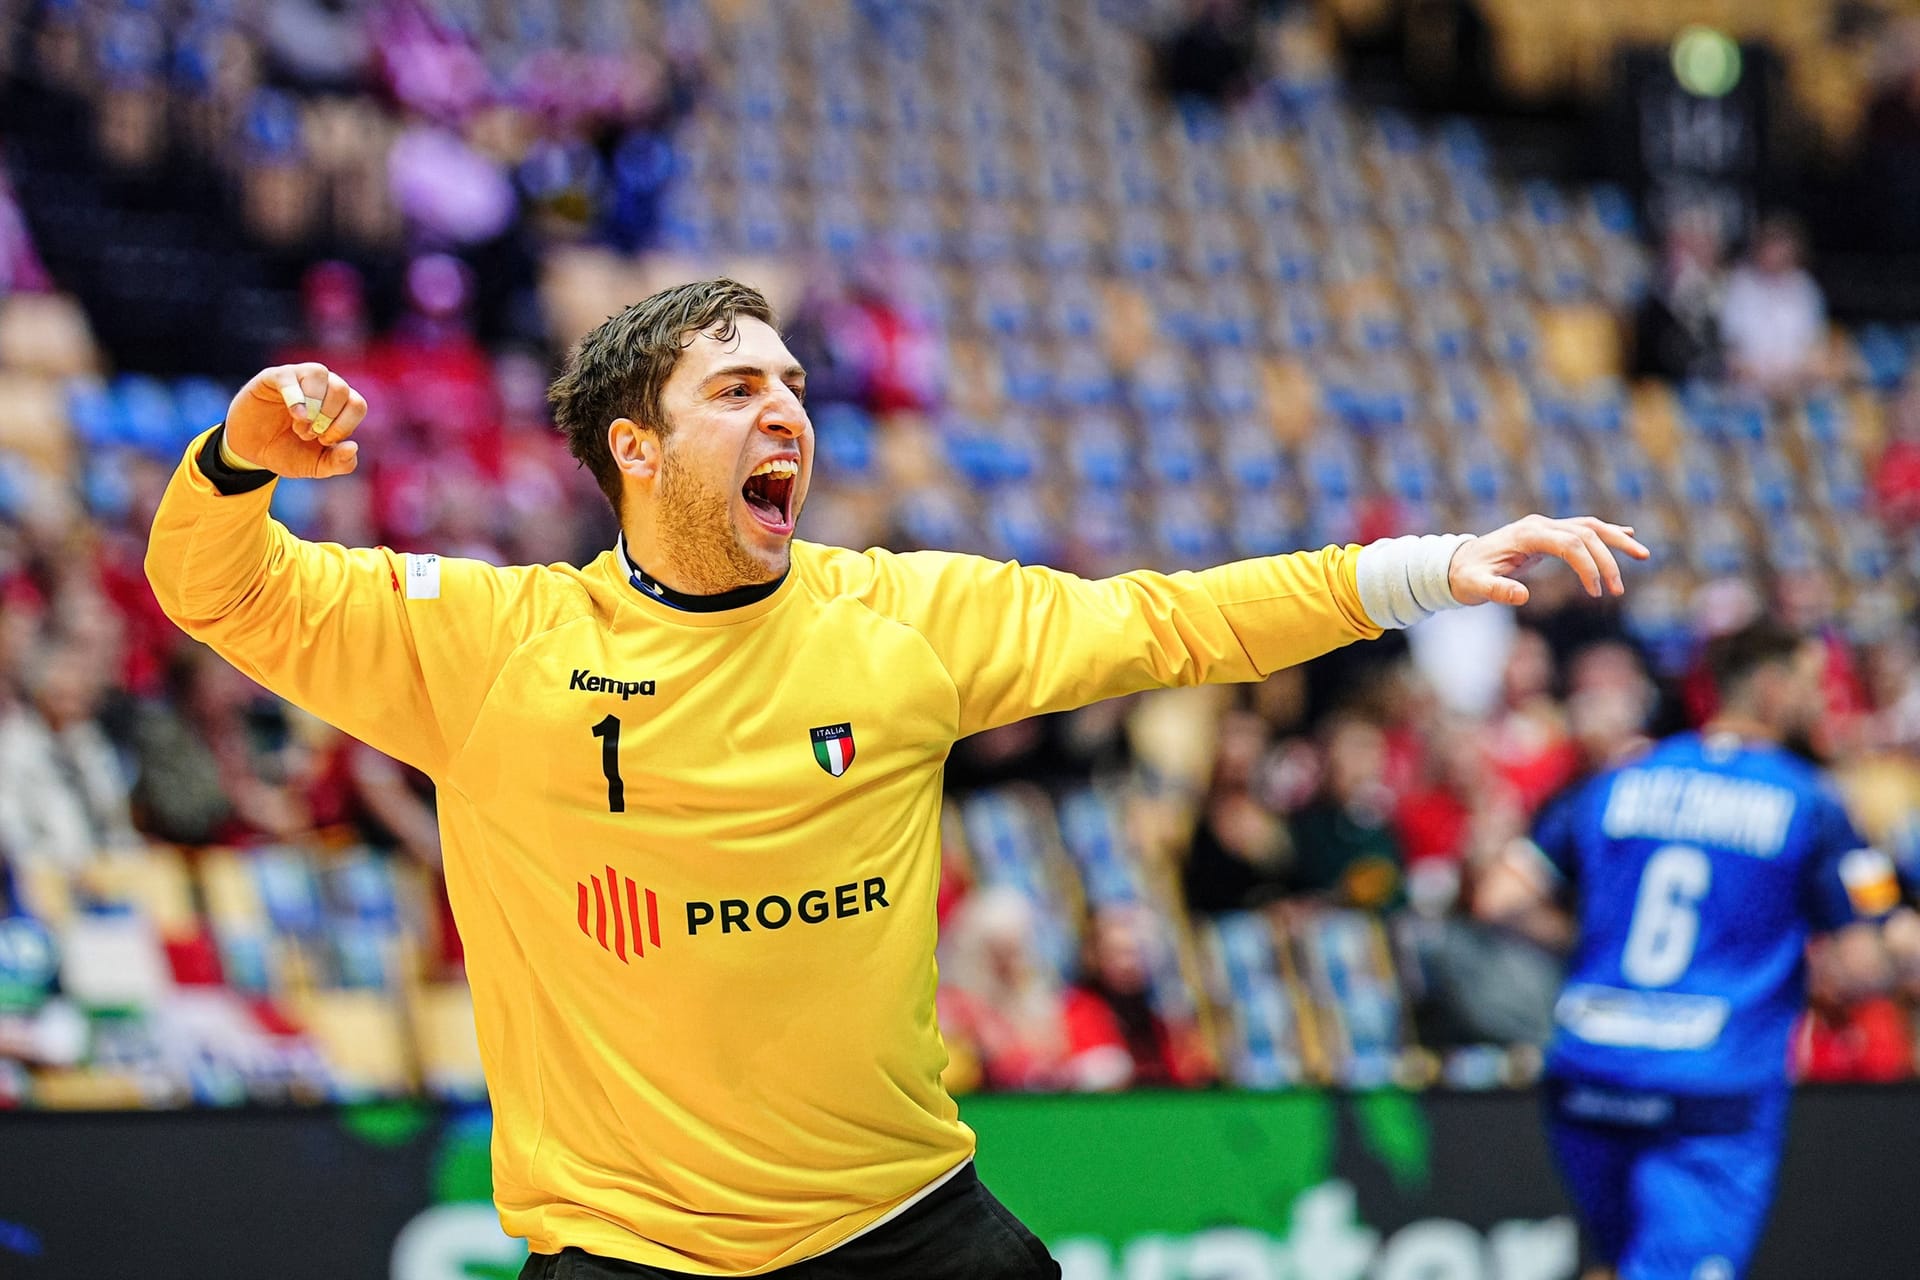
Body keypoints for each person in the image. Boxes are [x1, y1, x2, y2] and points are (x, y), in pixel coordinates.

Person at [144, 277, 1645, 1279]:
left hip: (904, 1231)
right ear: (639, 451)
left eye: (792, 381)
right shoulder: (494, 648)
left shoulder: (905, 618)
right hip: (631, 1253)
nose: (786, 407)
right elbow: (222, 592)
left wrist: (1424, 571)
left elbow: (1170, 620)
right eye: (735, 389)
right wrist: (235, 458)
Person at [1480, 620, 1902, 1280]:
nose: (1823, 701)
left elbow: (1498, 897)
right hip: (1709, 1088)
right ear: (1771, 687)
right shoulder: (1810, 799)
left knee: (1617, 1263)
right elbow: (1867, 957)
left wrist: (1588, 941)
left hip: (1590, 1070)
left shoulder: (1622, 777)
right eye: (1813, 684)